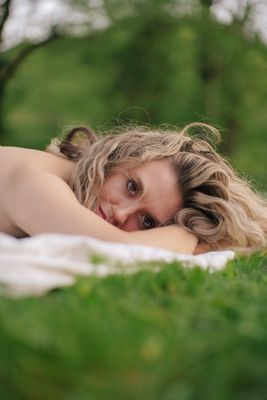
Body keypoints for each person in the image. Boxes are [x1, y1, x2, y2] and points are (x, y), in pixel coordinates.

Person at [0, 122, 266, 254]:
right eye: (132, 187)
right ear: (119, 156)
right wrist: (189, 237)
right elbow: (119, 249)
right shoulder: (36, 180)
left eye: (147, 221)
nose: (121, 214)